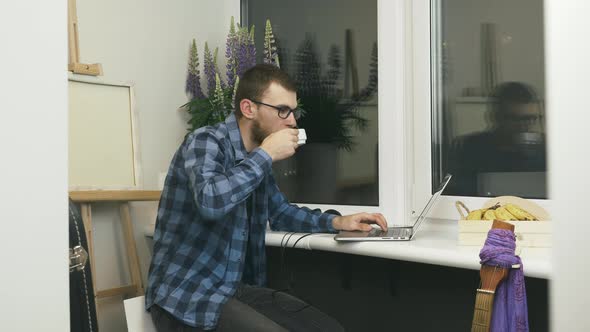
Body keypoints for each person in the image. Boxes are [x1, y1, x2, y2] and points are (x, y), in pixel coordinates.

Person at [145, 63, 388, 331]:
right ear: (249, 108)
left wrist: (338, 223)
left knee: (328, 328)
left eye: (293, 111)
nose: (292, 120)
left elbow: (281, 212)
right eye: (282, 110)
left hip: (232, 291)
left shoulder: (256, 158)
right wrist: (266, 155)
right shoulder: (205, 141)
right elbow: (210, 201)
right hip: (185, 296)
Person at [445, 81, 547, 196]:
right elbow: (456, 196)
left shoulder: (544, 151)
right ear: (494, 117)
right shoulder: (470, 149)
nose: (523, 126)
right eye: (514, 119)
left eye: (530, 118)